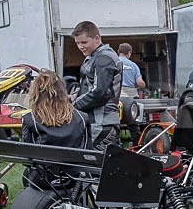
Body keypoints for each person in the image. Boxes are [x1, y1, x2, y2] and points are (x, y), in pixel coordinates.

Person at [71, 20, 123, 152]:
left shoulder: (104, 58)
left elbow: (100, 92)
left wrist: (72, 106)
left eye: (84, 42)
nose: (80, 46)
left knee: (96, 167)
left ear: (97, 38)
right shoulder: (95, 57)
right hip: (95, 123)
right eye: (77, 43)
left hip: (102, 124)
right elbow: (88, 88)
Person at [22, 70, 91, 149]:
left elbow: (29, 153)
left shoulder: (30, 120)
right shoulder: (82, 118)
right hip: (74, 161)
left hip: (43, 160)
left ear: (36, 95)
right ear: (63, 92)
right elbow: (88, 151)